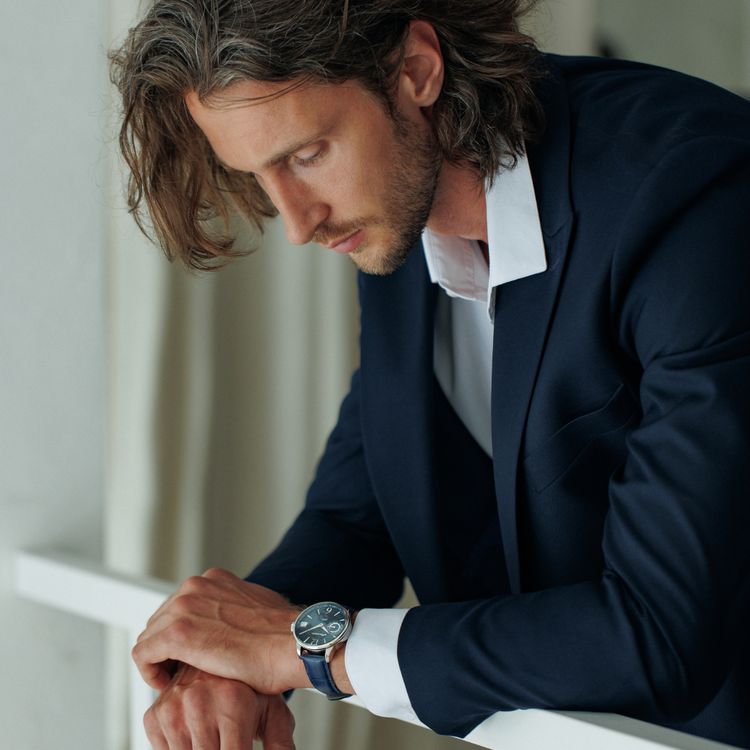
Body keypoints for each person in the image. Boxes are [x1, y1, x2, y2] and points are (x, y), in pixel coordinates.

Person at [111, 1, 750, 748]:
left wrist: (308, 653)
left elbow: (659, 632)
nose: (297, 223)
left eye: (306, 154)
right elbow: (361, 514)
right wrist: (231, 658)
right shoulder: (396, 209)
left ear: (415, 69)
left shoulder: (695, 194)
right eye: (254, 174)